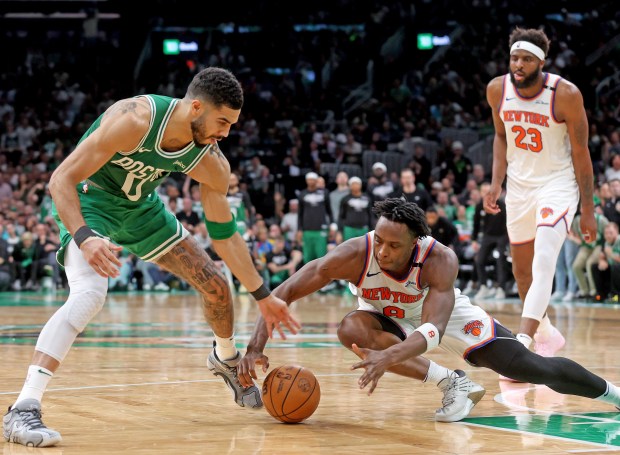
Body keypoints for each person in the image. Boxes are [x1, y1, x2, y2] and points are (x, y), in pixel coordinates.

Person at [3, 67, 300, 448]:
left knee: (216, 287)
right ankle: (23, 408)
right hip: (90, 205)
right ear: (195, 107)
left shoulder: (211, 161)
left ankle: (224, 358)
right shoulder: (134, 120)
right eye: (222, 121)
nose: (226, 133)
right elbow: (61, 179)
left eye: (232, 124)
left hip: (141, 210)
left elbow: (224, 236)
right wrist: (84, 237)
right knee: (90, 295)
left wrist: (263, 296)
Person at [238, 198, 620, 423]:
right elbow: (284, 291)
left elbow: (433, 329)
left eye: (393, 245)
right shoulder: (355, 253)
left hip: (444, 318)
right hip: (384, 314)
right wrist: (255, 345)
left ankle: (614, 396)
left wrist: (390, 356)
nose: (383, 251)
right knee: (350, 329)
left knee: (533, 368)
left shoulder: (439, 259)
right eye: (380, 241)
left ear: (415, 242)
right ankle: (453, 382)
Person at [484, 27, 597, 360]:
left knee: (544, 258)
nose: (519, 64)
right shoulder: (497, 90)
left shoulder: (565, 94)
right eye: (515, 58)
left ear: (541, 63)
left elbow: (581, 152)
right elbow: (501, 136)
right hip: (519, 187)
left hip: (557, 184)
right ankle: (546, 334)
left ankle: (522, 343)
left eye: (527, 59)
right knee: (522, 273)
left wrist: (587, 209)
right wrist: (496, 181)